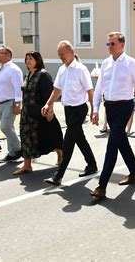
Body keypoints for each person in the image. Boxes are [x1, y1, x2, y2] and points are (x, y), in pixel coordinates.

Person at [89, 32, 135, 199]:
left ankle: (102, 186)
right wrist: (95, 109)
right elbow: (100, 87)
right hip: (110, 107)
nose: (109, 47)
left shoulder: (131, 63)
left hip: (124, 106)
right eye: (108, 44)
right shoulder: (106, 63)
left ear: (122, 45)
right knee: (122, 142)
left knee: (112, 144)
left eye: (112, 44)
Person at [43, 41, 99, 185]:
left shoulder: (81, 69)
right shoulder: (62, 69)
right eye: (59, 55)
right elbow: (57, 90)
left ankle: (58, 175)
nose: (60, 57)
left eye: (62, 54)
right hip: (68, 110)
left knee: (68, 142)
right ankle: (92, 165)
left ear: (71, 52)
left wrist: (94, 110)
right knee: (79, 138)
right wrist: (48, 104)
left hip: (79, 109)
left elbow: (90, 91)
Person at [13, 52, 63, 175]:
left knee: (48, 136)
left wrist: (50, 110)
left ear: (38, 60)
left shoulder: (43, 75)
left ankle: (60, 153)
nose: (28, 61)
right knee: (25, 138)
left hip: (41, 112)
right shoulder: (27, 74)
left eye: (31, 58)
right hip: (26, 113)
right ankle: (27, 165)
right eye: (26, 59)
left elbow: (50, 94)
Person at [0, 46, 24, 162]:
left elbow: (18, 87)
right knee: (9, 127)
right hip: (0, 103)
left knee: (5, 127)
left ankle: (19, 148)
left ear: (9, 55)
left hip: (10, 102)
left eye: (1, 53)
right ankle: (12, 153)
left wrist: (18, 104)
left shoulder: (14, 69)